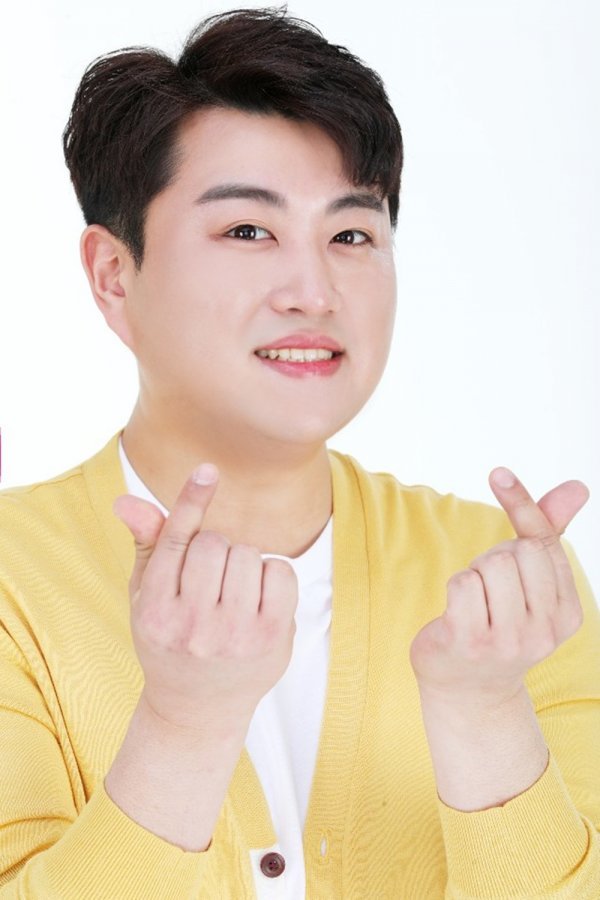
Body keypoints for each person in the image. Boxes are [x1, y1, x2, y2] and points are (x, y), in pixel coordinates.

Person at [0, 7, 599, 898]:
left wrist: (486, 712)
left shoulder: (504, 586)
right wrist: (183, 724)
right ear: (114, 275)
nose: (313, 292)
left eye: (351, 235)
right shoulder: (14, 579)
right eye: (248, 231)